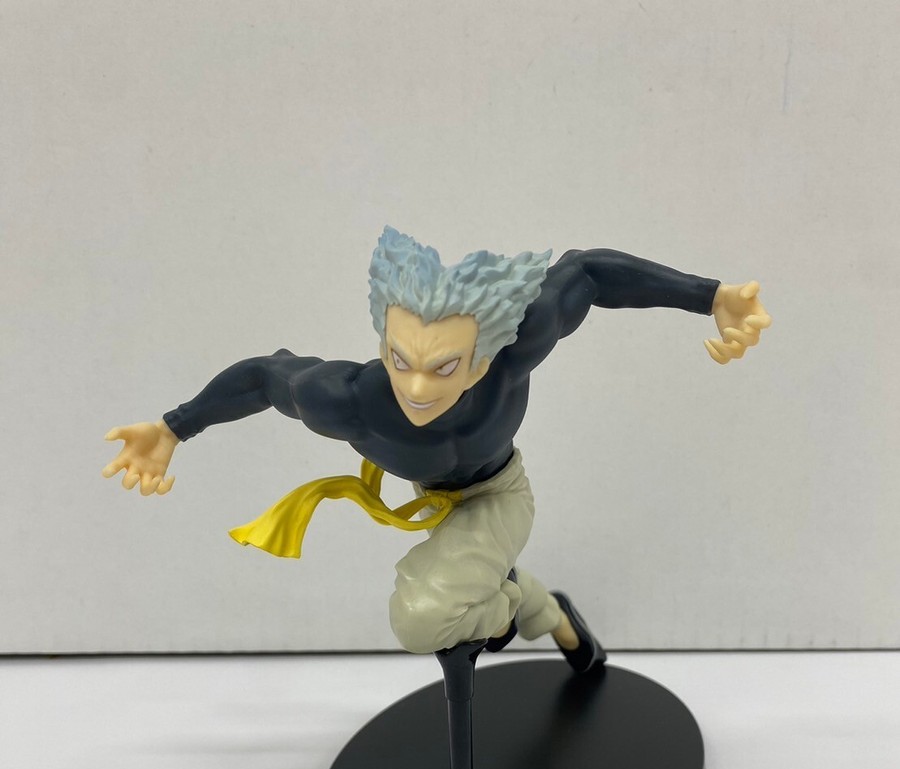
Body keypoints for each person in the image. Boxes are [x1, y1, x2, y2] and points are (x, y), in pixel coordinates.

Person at [103, 227, 771, 666]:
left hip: (500, 491)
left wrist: (709, 296)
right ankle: (546, 612)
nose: (418, 388)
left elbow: (588, 273)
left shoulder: (511, 354)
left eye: (444, 367)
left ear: (482, 355)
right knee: (461, 588)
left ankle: (511, 605)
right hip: (435, 503)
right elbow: (262, 375)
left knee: (421, 620)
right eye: (401, 360)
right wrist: (173, 427)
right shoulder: (345, 399)